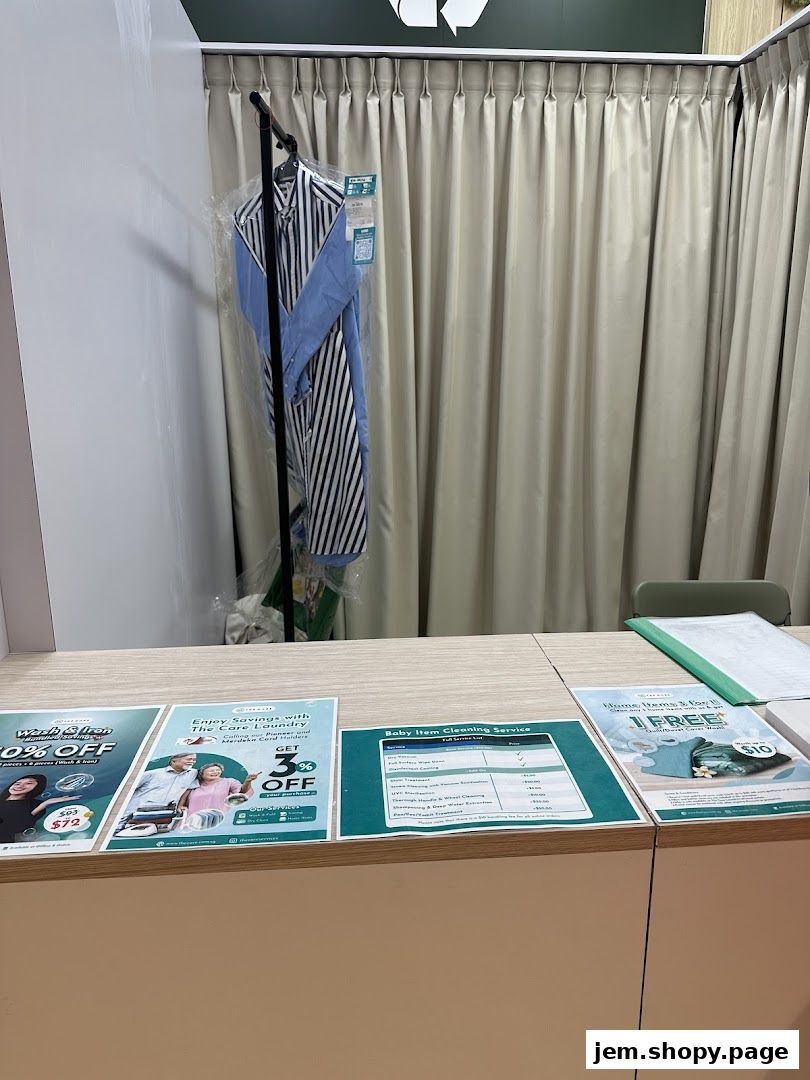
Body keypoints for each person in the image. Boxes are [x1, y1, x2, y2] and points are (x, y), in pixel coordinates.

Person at [0, 774, 77, 844]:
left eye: (28, 783)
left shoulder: (36, 805)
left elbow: (19, 827)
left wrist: (44, 804)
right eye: (17, 783)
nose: (20, 786)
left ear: (37, 787)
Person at [122, 753, 198, 818]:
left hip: (165, 814)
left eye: (194, 760)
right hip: (134, 812)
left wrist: (180, 805)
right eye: (189, 759)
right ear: (174, 761)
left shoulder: (193, 773)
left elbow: (188, 790)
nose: (192, 762)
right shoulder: (151, 774)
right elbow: (125, 789)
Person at [177, 762, 259, 817]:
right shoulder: (194, 784)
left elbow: (242, 793)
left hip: (219, 820)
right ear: (202, 773)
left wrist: (248, 781)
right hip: (193, 820)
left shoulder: (229, 782)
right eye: (211, 770)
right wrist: (180, 806)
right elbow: (183, 797)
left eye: (218, 770)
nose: (215, 772)